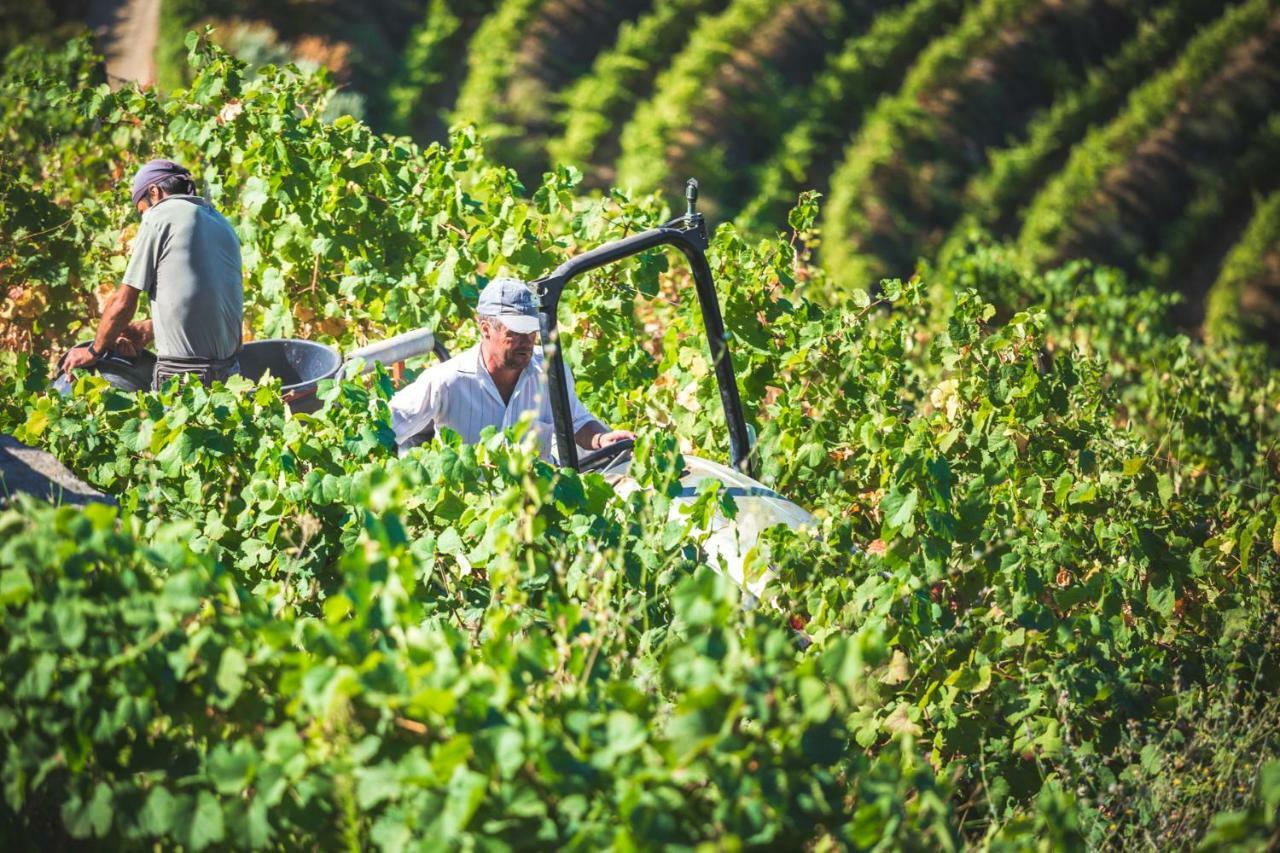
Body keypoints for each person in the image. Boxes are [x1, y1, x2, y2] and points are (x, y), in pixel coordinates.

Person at [389, 277, 633, 461]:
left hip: (537, 504)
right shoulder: (446, 381)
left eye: (532, 329)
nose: (527, 339)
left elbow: (575, 422)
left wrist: (601, 439)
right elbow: (387, 425)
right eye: (515, 331)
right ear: (486, 329)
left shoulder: (550, 370)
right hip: (475, 513)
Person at [62, 159, 244, 389]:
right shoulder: (222, 223)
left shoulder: (160, 216)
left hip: (185, 376)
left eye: (142, 210)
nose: (143, 217)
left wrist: (94, 350)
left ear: (154, 192)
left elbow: (123, 303)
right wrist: (150, 328)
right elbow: (211, 301)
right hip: (231, 373)